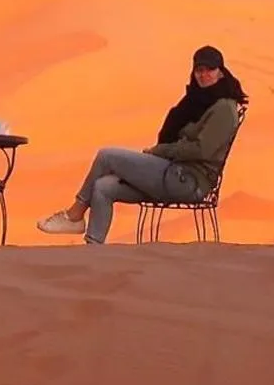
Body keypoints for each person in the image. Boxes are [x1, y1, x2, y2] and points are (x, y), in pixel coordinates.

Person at [36, 45, 247, 244]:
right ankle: (94, 250)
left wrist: (160, 151)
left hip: (189, 181)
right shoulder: (198, 101)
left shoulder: (223, 108)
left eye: (210, 69)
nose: (204, 75)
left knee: (107, 156)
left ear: (221, 71)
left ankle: (75, 213)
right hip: (172, 174)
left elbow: (201, 150)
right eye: (199, 70)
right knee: (103, 187)